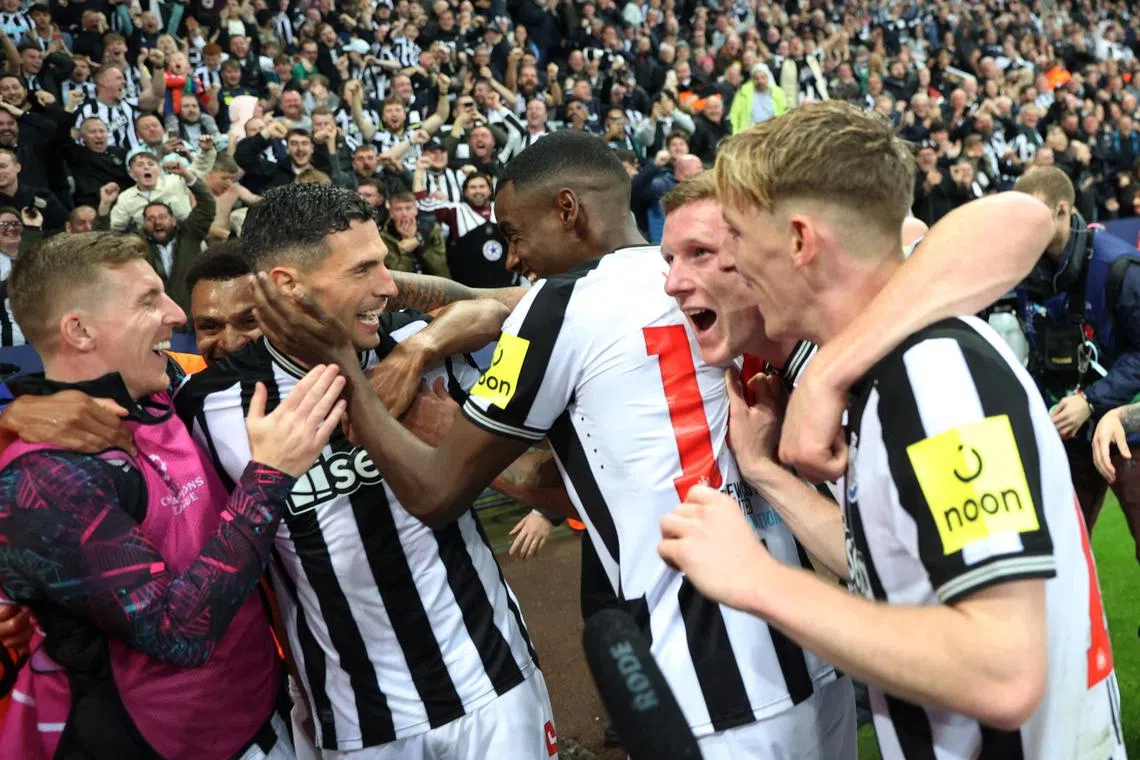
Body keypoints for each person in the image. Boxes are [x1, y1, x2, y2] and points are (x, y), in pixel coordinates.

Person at [251, 130, 857, 760]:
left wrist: (347, 370)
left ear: (567, 210)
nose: (512, 255)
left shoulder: (563, 307)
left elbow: (433, 493)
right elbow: (499, 320)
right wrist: (422, 343)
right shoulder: (698, 275)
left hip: (707, 671)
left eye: (515, 234)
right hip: (812, 638)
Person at [662, 101, 1125, 760]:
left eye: (734, 236)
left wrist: (759, 582)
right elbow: (889, 567)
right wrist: (764, 471)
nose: (730, 265)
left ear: (798, 241)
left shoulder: (935, 378)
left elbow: (1003, 670)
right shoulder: (889, 366)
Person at [176, 183, 562, 759]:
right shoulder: (209, 406)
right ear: (286, 285)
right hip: (356, 721)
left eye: (386, 264)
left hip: (493, 684)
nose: (387, 284)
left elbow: (498, 307)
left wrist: (420, 349)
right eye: (364, 269)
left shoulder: (410, 342)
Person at [0, 230, 347, 759]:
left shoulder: (166, 387)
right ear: (79, 330)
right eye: (147, 301)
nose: (176, 315)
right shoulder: (45, 476)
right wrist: (269, 475)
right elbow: (180, 631)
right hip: (170, 746)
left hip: (267, 712)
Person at [1011, 167, 1140, 552]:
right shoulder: (1019, 268)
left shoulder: (1119, 267)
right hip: (1063, 429)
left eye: (1030, 218)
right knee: (1055, 550)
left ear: (1062, 211)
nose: (1021, 232)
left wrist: (1091, 401)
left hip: (1129, 431)